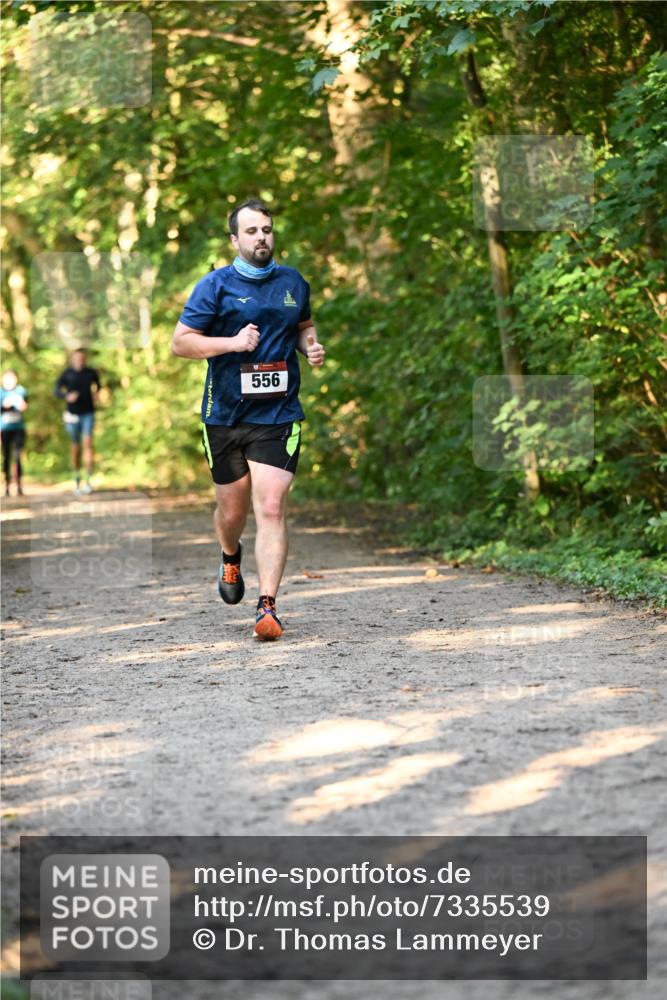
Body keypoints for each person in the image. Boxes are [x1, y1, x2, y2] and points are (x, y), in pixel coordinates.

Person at [172, 199, 325, 640]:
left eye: (268, 229)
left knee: (272, 505)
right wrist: (232, 343)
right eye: (253, 231)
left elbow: (303, 325)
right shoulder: (214, 286)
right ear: (235, 240)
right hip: (224, 415)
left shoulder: (293, 281)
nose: (263, 237)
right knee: (232, 509)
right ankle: (228, 553)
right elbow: (181, 344)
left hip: (277, 414)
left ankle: (267, 607)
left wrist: (310, 345)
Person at [54, 348, 101, 495]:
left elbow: (98, 385)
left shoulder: (91, 373)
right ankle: (76, 480)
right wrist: (66, 396)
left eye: (82, 358)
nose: (80, 361)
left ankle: (88, 480)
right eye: (77, 358)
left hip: (88, 413)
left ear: (85, 359)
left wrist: (96, 394)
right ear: (73, 359)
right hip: (72, 415)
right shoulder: (67, 374)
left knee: (88, 443)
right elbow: (56, 390)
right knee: (75, 448)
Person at [1, 369, 28, 496]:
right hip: (5, 429)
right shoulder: (1, 393)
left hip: (18, 428)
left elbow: (25, 406)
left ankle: (19, 485)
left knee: (17, 457)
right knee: (6, 457)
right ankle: (7, 486)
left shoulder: (21, 391)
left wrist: (20, 404)